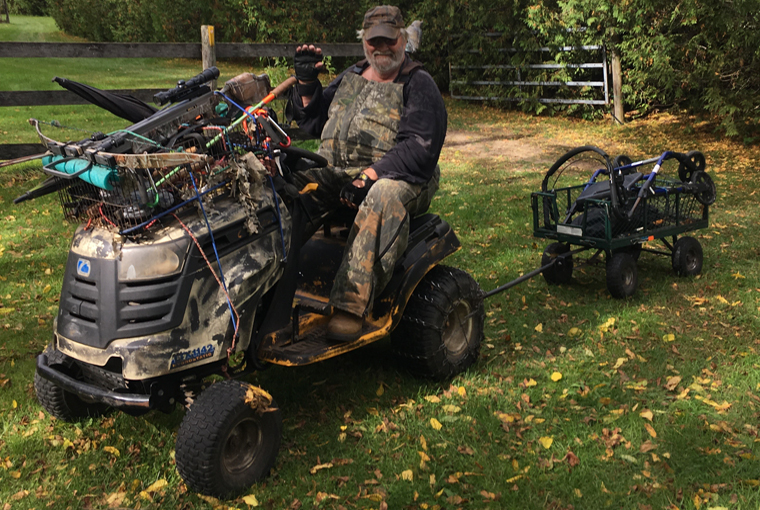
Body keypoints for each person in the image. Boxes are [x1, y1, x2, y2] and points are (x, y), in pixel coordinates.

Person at [288, 5, 447, 342]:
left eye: (389, 40)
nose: (381, 48)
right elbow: (313, 121)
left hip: (401, 176)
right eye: (374, 41)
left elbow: (419, 148)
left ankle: (350, 305)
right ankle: (268, 283)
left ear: (402, 39)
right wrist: (305, 84)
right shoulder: (352, 76)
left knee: (383, 195)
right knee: (285, 183)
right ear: (364, 42)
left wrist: (370, 176)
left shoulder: (418, 83)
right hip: (336, 171)